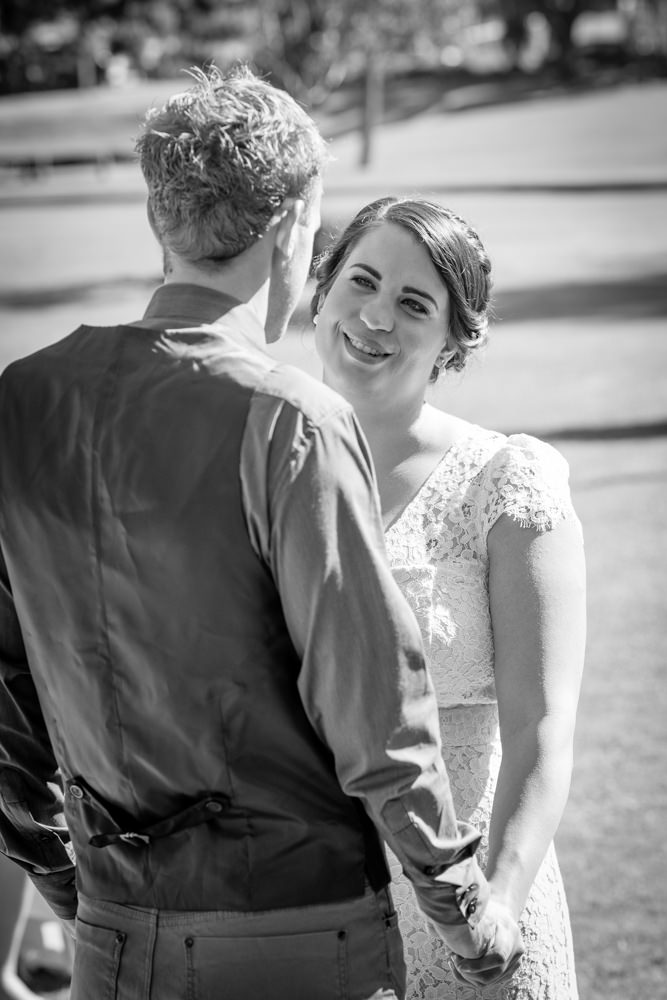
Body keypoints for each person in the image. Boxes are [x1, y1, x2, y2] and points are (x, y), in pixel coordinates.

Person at [0, 68, 524, 1000]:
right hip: (296, 931)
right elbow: (374, 708)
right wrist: (459, 903)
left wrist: (52, 870)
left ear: (164, 219)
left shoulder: (22, 397)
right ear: (291, 229)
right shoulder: (293, 418)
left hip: (113, 932)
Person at [312, 196, 586, 999]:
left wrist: (496, 897)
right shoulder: (256, 463)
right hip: (306, 924)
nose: (373, 316)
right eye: (360, 281)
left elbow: (543, 726)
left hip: (472, 926)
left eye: (413, 303)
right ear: (322, 291)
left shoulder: (505, 483)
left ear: (453, 341)